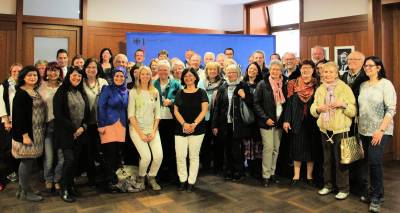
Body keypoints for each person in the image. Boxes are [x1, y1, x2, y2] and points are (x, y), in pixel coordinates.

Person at [310, 62, 356, 200]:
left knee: (341, 161)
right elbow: (314, 108)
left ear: (337, 74)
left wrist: (343, 104)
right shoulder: (320, 89)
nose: (327, 74)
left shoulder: (345, 88)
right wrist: (318, 109)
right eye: (325, 72)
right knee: (327, 160)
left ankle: (343, 188)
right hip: (324, 129)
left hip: (340, 130)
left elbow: (353, 111)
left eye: (330, 72)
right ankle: (328, 185)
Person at [358, 56, 396, 212]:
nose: (367, 68)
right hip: (364, 130)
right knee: (368, 162)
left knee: (375, 161)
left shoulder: (385, 84)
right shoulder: (363, 85)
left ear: (379, 67)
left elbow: (391, 109)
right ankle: (373, 191)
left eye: (371, 66)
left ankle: (377, 197)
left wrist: (380, 131)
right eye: (365, 66)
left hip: (380, 130)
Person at [53, 67, 89, 202]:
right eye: (74, 76)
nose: (77, 78)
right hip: (66, 134)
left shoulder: (81, 91)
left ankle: (71, 186)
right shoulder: (61, 92)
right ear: (69, 76)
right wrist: (74, 129)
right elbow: (59, 115)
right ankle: (64, 189)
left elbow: (87, 113)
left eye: (79, 77)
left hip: (80, 134)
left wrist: (83, 127)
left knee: (75, 163)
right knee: (69, 161)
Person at [212, 64, 252, 181]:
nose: (231, 74)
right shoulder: (223, 87)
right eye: (228, 72)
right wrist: (214, 125)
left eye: (233, 72)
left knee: (237, 149)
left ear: (238, 74)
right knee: (227, 148)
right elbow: (217, 108)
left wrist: (244, 96)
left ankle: (239, 171)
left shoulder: (243, 85)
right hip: (225, 124)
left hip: (238, 124)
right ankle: (228, 170)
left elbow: (251, 103)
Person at [283, 60, 319, 186]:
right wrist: (286, 120)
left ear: (313, 70)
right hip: (296, 121)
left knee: (311, 150)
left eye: (309, 68)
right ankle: (296, 176)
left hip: (313, 121)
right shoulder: (293, 83)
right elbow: (288, 104)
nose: (306, 70)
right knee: (296, 149)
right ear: (300, 69)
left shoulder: (317, 84)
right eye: (303, 68)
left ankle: (309, 176)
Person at [12, 66, 46, 201]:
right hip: (27, 134)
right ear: (23, 77)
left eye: (35, 75)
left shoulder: (33, 91)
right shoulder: (21, 93)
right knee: (26, 162)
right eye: (29, 75)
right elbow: (19, 117)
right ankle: (26, 192)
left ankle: (22, 189)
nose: (33, 78)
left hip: (37, 131)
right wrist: (25, 136)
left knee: (29, 162)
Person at [254, 60, 288, 187]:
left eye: (277, 69)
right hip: (266, 122)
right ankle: (265, 175)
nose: (275, 71)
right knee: (268, 148)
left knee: (276, 149)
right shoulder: (263, 84)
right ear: (270, 70)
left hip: (279, 122)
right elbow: (256, 103)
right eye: (273, 69)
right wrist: (265, 118)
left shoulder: (284, 84)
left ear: (281, 71)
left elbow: (286, 103)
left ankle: (272, 173)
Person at [128, 66, 163, 191]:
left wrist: (153, 131)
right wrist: (141, 134)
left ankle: (151, 177)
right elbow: (131, 115)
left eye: (147, 74)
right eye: (142, 74)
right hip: (137, 129)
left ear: (150, 76)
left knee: (158, 156)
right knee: (146, 157)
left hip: (152, 129)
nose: (145, 76)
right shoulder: (133, 92)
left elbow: (158, 114)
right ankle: (141, 177)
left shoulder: (155, 92)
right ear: (139, 76)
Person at [174, 68, 208, 192]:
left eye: (190, 76)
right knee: (180, 156)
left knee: (194, 156)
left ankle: (191, 181)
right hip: (180, 128)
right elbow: (176, 110)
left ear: (195, 77)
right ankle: (182, 180)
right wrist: (184, 123)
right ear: (183, 78)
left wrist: (193, 124)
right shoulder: (179, 93)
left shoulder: (201, 92)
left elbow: (204, 110)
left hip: (197, 128)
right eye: (186, 76)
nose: (188, 78)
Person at [97, 67, 129, 191]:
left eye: (122, 76)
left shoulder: (127, 91)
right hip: (108, 124)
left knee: (117, 154)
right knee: (108, 154)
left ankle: (115, 179)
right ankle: (108, 181)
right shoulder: (107, 89)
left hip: (121, 125)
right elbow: (101, 107)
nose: (119, 78)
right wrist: (101, 125)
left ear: (125, 77)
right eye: (117, 76)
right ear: (113, 77)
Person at [82, 58, 108, 187]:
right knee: (88, 153)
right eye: (89, 67)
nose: (91, 70)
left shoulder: (103, 82)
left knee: (101, 151)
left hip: (100, 124)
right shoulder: (81, 82)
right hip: (86, 124)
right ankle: (91, 178)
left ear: (98, 69)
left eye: (94, 67)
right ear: (85, 69)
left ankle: (103, 178)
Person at [153, 60, 181, 182]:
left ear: (169, 71)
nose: (163, 72)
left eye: (165, 70)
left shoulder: (176, 84)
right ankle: (160, 173)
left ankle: (172, 173)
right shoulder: (153, 84)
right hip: (157, 120)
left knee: (171, 147)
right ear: (157, 71)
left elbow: (181, 100)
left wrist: (172, 102)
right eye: (161, 70)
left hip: (172, 119)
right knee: (160, 148)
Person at [38, 62, 64, 192]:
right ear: (46, 72)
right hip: (47, 126)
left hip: (61, 127)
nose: (53, 73)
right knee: (49, 157)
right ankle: (48, 178)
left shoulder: (63, 86)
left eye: (56, 70)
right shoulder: (40, 87)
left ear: (60, 72)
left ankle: (57, 179)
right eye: (50, 70)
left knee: (62, 157)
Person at [0, 63, 22, 187]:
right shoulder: (4, 85)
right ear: (10, 72)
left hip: (19, 123)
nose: (16, 73)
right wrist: (6, 121)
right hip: (7, 123)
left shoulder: (24, 85)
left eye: (19, 71)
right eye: (14, 71)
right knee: (8, 149)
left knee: (18, 147)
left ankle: (17, 171)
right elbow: (1, 104)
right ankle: (10, 171)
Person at [200, 62, 224, 172]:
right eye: (210, 69)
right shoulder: (201, 83)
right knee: (205, 143)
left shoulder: (223, 83)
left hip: (217, 118)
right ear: (206, 71)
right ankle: (205, 165)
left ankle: (218, 167)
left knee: (218, 143)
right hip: (203, 117)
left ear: (218, 71)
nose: (212, 71)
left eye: (215, 69)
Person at [242, 62, 264, 178]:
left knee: (258, 144)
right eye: (250, 68)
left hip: (258, 118)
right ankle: (249, 168)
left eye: (255, 69)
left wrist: (246, 97)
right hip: (246, 119)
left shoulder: (262, 84)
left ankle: (257, 169)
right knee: (248, 144)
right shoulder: (242, 84)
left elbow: (258, 102)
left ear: (258, 71)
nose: (252, 70)